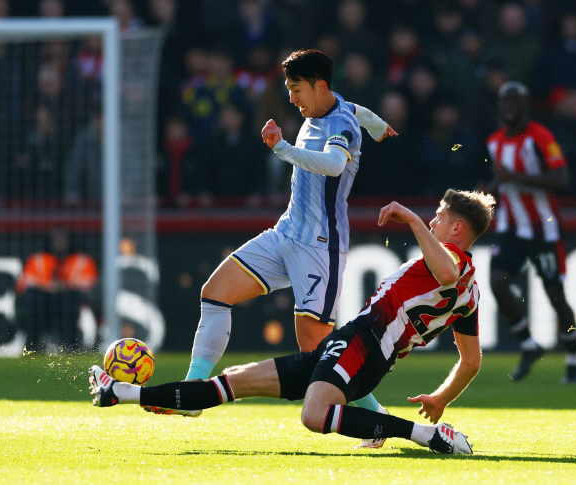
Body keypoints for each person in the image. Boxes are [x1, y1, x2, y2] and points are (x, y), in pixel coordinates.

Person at [90, 190, 496, 455]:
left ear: (456, 229)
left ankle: (425, 436)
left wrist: (410, 219)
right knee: (234, 380)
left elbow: (445, 271)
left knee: (314, 415)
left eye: (440, 218)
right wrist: (441, 398)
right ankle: (120, 393)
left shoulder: (451, 262)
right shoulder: (471, 295)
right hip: (359, 349)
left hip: (364, 341)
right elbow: (472, 361)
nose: (433, 222)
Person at [182, 49, 397, 443]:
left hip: (320, 247)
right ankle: (195, 390)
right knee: (214, 292)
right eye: (288, 89)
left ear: (319, 86)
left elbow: (333, 164)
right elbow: (357, 108)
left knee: (316, 348)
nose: (292, 98)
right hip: (286, 234)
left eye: (296, 89)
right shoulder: (333, 108)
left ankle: (378, 419)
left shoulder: (340, 125)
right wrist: (380, 125)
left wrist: (281, 148)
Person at [484, 81, 576, 384]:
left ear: (526, 106)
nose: (510, 108)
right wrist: (486, 192)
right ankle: (528, 344)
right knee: (497, 283)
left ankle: (574, 356)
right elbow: (502, 181)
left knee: (555, 294)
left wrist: (516, 177)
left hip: (544, 229)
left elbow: (562, 178)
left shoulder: (541, 137)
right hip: (511, 227)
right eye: (505, 103)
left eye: (515, 102)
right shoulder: (494, 141)